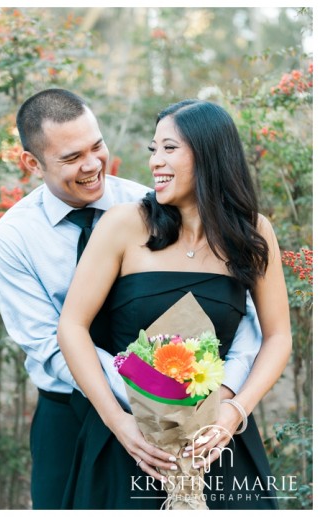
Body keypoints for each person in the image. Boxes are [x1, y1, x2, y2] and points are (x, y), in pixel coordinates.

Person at [0, 89, 262, 509]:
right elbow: (48, 343)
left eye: (97, 146)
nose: (93, 164)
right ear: (31, 163)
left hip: (190, 403)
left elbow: (233, 308)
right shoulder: (12, 237)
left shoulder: (150, 204)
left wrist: (202, 399)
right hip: (70, 406)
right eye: (72, 157)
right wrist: (150, 393)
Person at [57, 99, 292, 509]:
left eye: (169, 148)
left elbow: (277, 337)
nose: (155, 163)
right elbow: (71, 327)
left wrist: (233, 412)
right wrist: (119, 422)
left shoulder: (253, 232)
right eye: (153, 150)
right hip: (130, 443)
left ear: (209, 154)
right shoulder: (124, 223)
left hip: (216, 441)